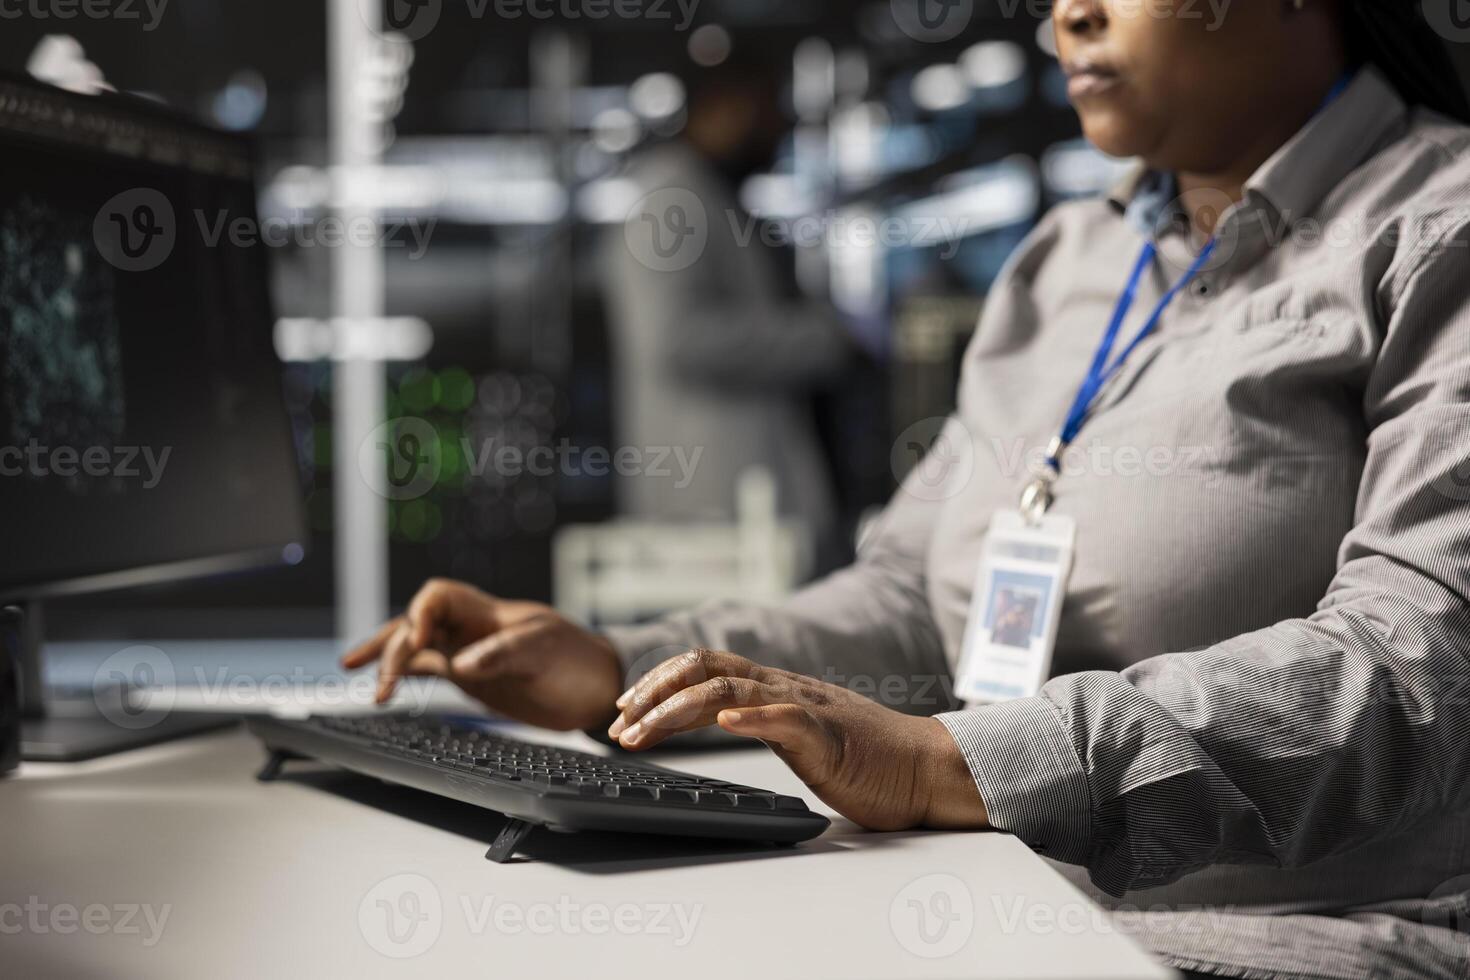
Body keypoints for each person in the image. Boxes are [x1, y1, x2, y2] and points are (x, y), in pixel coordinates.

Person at [344, 2, 1470, 977]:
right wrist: (621, 666)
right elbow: (906, 598)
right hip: (1006, 895)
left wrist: (959, 761)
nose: (1066, 14)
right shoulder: (1066, 261)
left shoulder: (1436, 227)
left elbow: (1421, 667)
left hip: (1286, 934)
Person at [600, 56, 853, 557]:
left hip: (746, 512)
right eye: (768, 108)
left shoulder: (710, 194)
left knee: (745, 636)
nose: (779, 127)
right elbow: (674, 339)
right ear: (726, 104)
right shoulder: (670, 199)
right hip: (711, 509)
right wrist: (821, 339)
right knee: (711, 640)